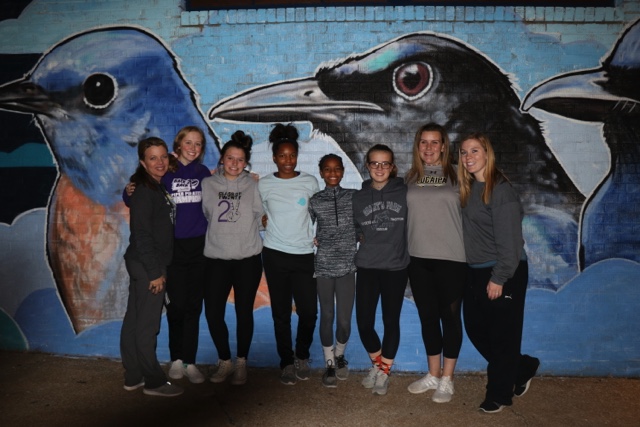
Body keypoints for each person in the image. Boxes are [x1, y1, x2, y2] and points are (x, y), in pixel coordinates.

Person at [458, 133, 540, 413]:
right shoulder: (468, 189)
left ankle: (499, 394)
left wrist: (499, 278)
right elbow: (428, 181)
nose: (468, 157)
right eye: (463, 152)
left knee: (503, 336)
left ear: (487, 154)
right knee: (476, 329)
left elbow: (511, 242)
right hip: (475, 272)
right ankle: (522, 367)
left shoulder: (500, 191)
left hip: (504, 270)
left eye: (475, 151)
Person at [125, 126, 211, 383]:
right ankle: (175, 359)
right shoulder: (167, 171)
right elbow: (141, 193)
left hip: (199, 247)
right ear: (178, 145)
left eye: (198, 144)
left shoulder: (203, 172)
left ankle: (189, 361)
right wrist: (127, 191)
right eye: (188, 143)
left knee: (194, 306)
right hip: (172, 250)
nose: (193, 148)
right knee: (177, 307)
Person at [405, 124, 467, 403]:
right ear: (418, 146)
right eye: (423, 142)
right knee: (428, 319)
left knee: (450, 320)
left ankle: (448, 379)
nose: (429, 148)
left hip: (452, 260)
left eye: (435, 142)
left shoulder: (461, 176)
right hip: (418, 260)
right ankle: (433, 374)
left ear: (444, 146)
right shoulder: (411, 178)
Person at [120, 136, 183, 397]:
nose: (159, 162)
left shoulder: (153, 186)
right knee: (148, 326)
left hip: (142, 262)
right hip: (149, 265)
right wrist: (155, 273)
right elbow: (142, 234)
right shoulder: (145, 191)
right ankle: (154, 382)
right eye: (153, 158)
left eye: (163, 156)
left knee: (134, 322)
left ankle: (133, 376)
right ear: (143, 163)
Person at [258, 123, 320, 385]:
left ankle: (302, 356)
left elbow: (321, 213)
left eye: (291, 155)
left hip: (305, 254)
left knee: (308, 312)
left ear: (297, 157)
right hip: (275, 255)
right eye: (282, 155)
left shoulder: (309, 181)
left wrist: (323, 235)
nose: (287, 160)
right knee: (280, 313)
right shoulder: (264, 184)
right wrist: (262, 218)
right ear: (274, 158)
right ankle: (285, 362)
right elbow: (258, 212)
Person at [201, 130, 263, 385]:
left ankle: (241, 362)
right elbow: (207, 214)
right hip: (216, 258)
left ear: (246, 162)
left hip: (247, 259)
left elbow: (260, 216)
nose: (234, 164)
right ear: (222, 159)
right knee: (213, 312)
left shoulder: (255, 184)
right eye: (230, 158)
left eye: (240, 160)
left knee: (243, 313)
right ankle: (224, 360)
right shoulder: (208, 184)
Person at [352, 144, 409, 396]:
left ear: (392, 167)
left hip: (396, 267)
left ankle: (383, 372)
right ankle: (379, 365)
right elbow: (352, 228)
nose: (379, 168)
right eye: (374, 163)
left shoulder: (406, 192)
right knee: (364, 323)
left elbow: (435, 180)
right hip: (366, 266)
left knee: (390, 321)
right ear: (367, 166)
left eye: (385, 163)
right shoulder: (358, 196)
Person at [309, 154, 358, 388]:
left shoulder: (353, 197)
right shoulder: (315, 200)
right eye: (327, 169)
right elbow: (301, 225)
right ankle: (329, 363)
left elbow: (363, 225)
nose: (332, 173)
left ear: (342, 171)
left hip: (348, 266)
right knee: (327, 316)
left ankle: (339, 355)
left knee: (345, 321)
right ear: (321, 172)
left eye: (337, 169)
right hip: (324, 267)